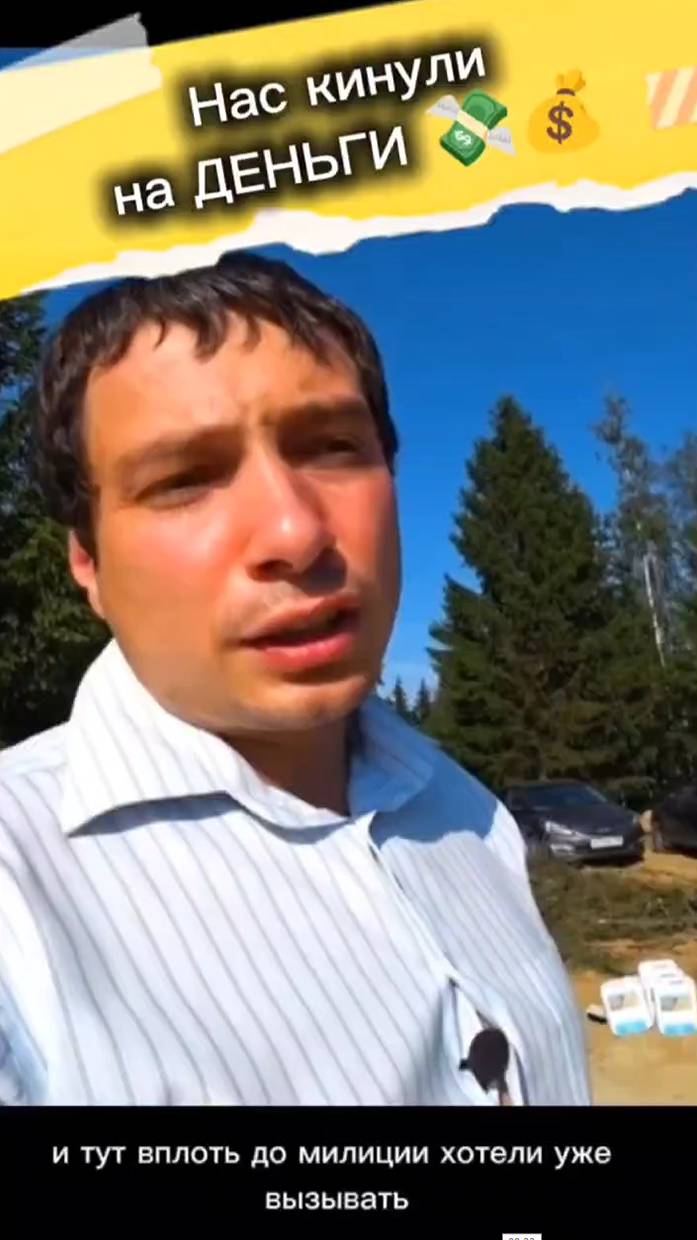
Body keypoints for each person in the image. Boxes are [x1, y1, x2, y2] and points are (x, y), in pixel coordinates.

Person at [0, 253, 590, 1106]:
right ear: (87, 561)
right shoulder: (18, 892)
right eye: (183, 480)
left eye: (332, 448)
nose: (294, 531)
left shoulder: (467, 811)